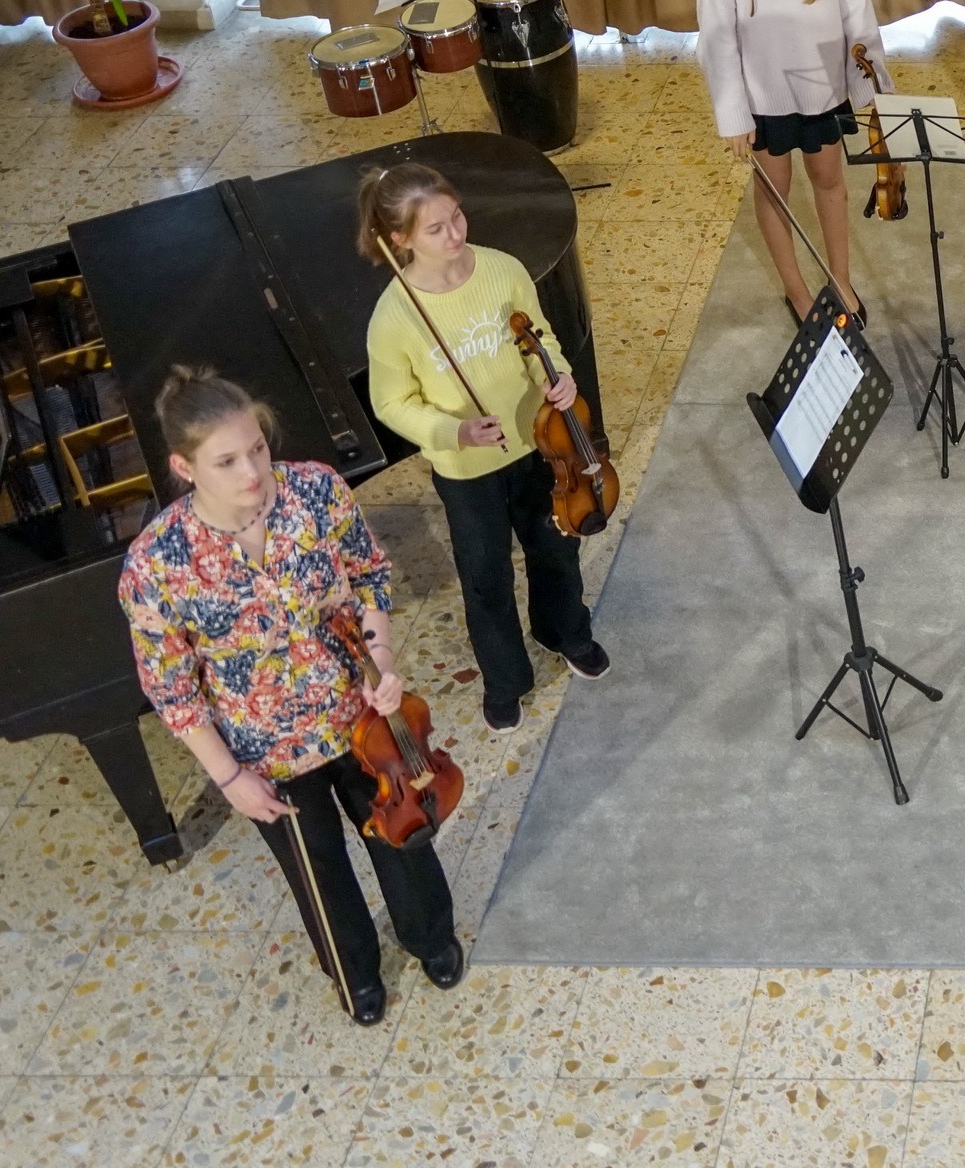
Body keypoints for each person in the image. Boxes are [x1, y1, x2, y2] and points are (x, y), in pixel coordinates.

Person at [119, 367, 462, 1026]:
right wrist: (229, 779)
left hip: (361, 720)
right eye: (226, 461)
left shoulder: (315, 490)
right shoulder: (155, 565)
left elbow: (369, 573)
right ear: (184, 468)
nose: (253, 471)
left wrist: (381, 658)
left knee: (405, 837)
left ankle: (431, 936)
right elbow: (172, 690)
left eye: (256, 447)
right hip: (267, 752)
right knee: (318, 872)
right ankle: (355, 973)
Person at [361, 163, 609, 735]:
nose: (455, 233)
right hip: (466, 470)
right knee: (485, 577)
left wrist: (558, 375)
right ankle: (505, 680)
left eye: (457, 217)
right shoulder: (394, 318)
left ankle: (565, 632)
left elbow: (539, 338)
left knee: (556, 546)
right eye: (435, 229)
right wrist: (455, 432)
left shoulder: (502, 270)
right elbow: (391, 403)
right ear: (400, 239)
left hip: (539, 444)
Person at [698, 0, 889, 320]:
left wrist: (872, 90)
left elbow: (859, 19)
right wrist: (733, 115)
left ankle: (840, 280)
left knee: (828, 180)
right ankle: (797, 293)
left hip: (822, 91)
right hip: (764, 99)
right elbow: (718, 41)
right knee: (774, 191)